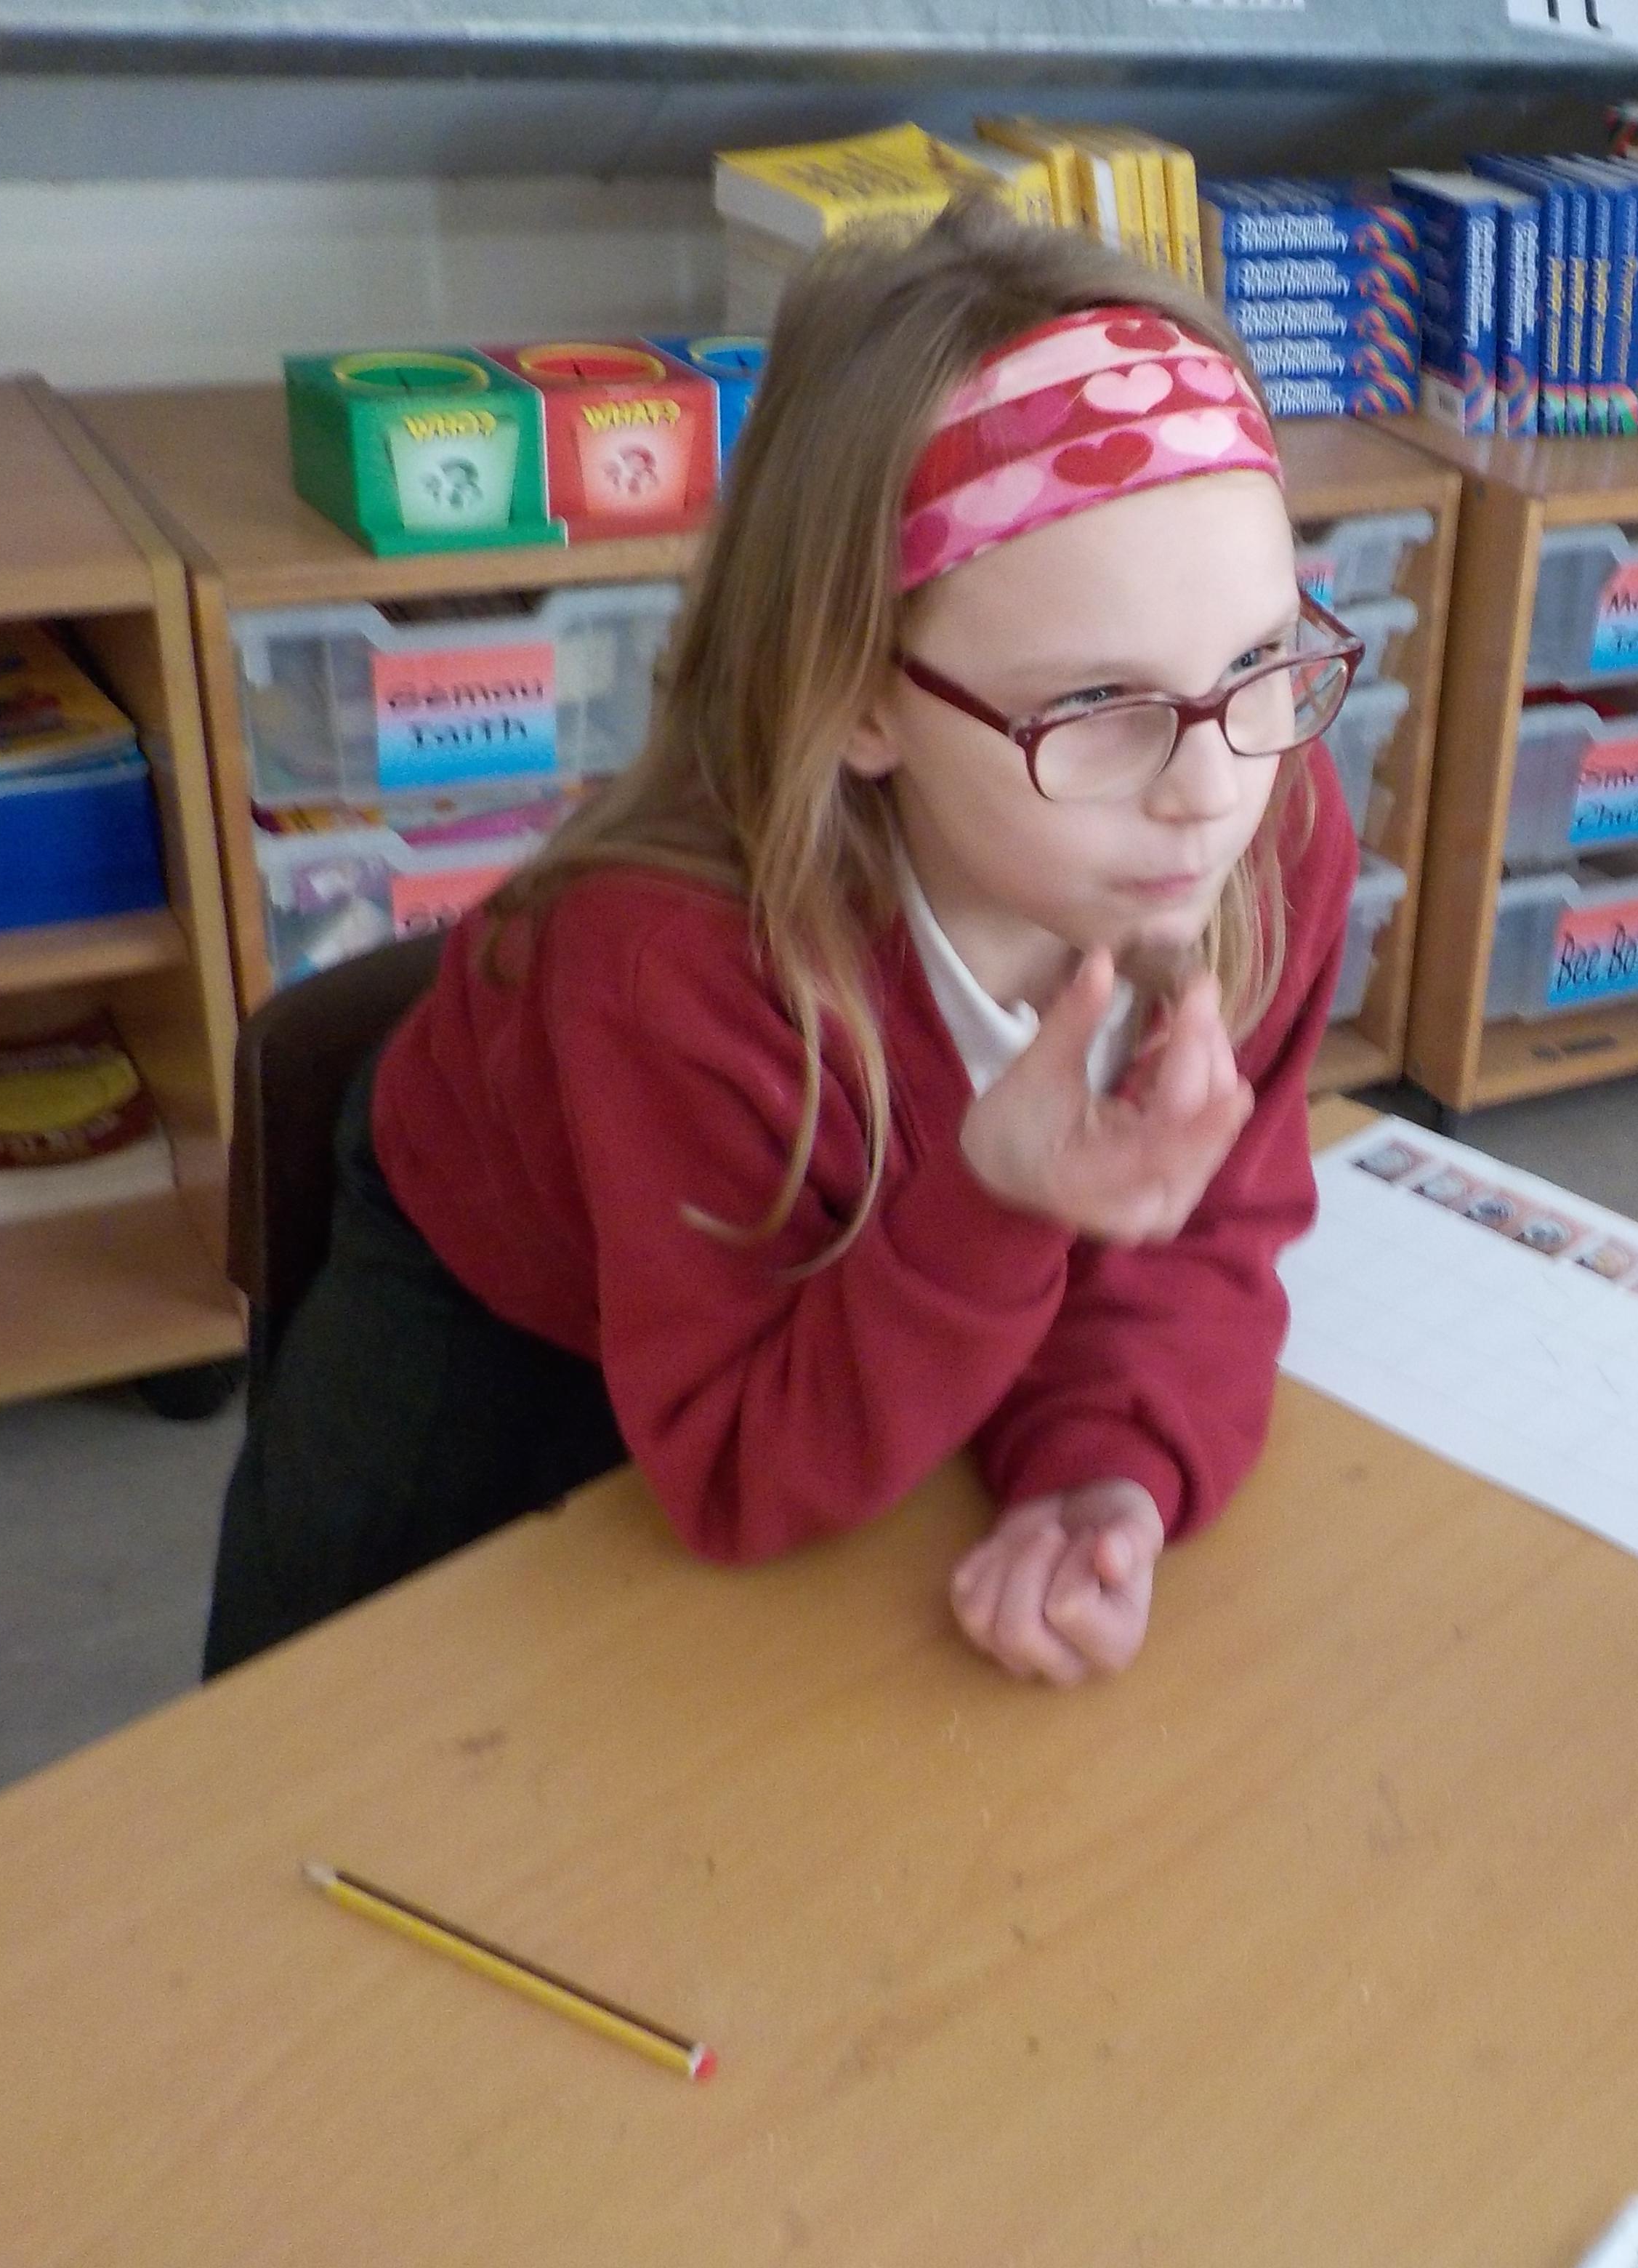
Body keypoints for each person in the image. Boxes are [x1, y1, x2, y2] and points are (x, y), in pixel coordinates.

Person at [205, 201, 1362, 1686]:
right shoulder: (661, 970)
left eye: (1260, 659)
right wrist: (1004, 1210)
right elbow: (738, 1462)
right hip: (509, 1305)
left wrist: (1104, 1461)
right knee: (361, 1722)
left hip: (848, 1256)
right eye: (1097, 706)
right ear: (862, 699)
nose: (1211, 787)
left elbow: (1200, 1226)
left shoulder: (1268, 824)